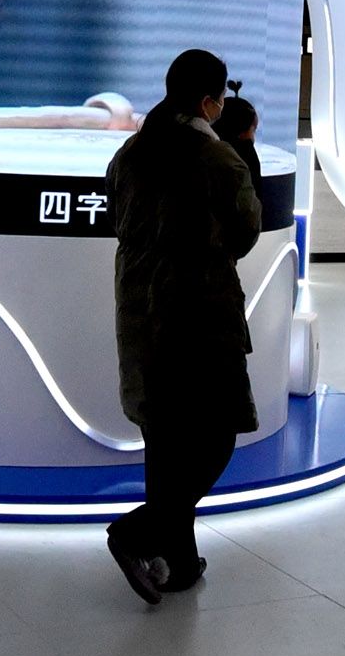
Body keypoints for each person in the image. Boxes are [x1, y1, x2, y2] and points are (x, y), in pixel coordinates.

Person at [105, 47, 263, 605]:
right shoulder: (219, 160)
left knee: (165, 439)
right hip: (201, 310)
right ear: (209, 101)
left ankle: (177, 561)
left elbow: (115, 214)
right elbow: (246, 231)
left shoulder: (131, 152)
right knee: (216, 435)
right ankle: (138, 532)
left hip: (139, 309)